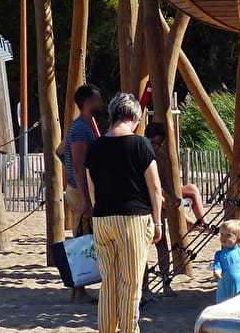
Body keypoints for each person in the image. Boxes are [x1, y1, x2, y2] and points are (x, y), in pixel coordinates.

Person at [79, 93, 162, 333]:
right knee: (131, 282)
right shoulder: (141, 144)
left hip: (103, 218)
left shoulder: (95, 147)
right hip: (133, 218)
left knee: (109, 282)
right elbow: (155, 186)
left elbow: (92, 186)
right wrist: (157, 221)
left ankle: (107, 329)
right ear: (134, 117)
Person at [60, 85, 103, 302]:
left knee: (85, 237)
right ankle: (78, 290)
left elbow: (60, 151)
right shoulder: (79, 128)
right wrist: (86, 198)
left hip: (81, 187)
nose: (101, 103)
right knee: (81, 238)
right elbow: (78, 166)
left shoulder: (85, 126)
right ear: (87, 102)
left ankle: (80, 289)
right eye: (97, 99)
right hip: (80, 190)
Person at [145, 122, 209, 229]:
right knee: (161, 199)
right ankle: (189, 223)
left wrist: (173, 195)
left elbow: (164, 181)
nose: (155, 147)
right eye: (153, 143)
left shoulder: (161, 157)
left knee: (192, 188)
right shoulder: (142, 154)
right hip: (150, 192)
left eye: (159, 144)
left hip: (161, 190)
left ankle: (204, 223)